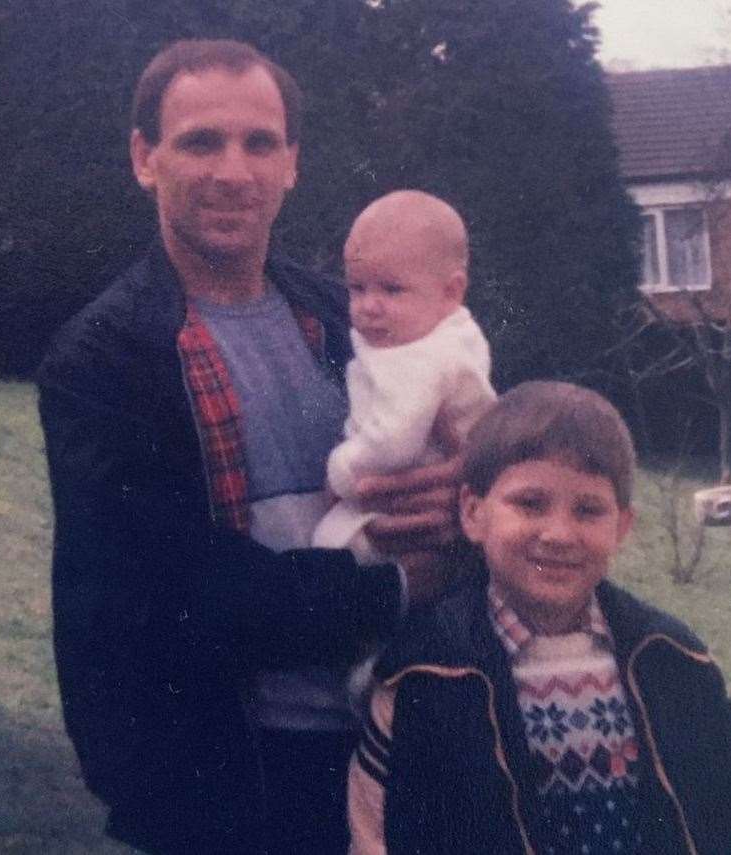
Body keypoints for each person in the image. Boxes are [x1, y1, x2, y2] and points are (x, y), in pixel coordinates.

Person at [37, 39, 460, 854]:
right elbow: (183, 597)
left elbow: (470, 452)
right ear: (143, 158)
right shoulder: (103, 358)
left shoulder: (351, 321)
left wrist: (464, 501)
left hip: (384, 756)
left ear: (293, 163)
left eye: (259, 142)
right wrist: (406, 584)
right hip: (220, 787)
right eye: (201, 141)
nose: (234, 170)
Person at [346, 381, 731, 854]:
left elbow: (729, 807)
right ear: (473, 513)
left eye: (588, 510)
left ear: (621, 527)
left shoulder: (671, 657)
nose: (559, 534)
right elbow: (375, 832)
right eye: (531, 503)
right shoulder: (426, 672)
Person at [313, 190, 495, 563]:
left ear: (451, 291)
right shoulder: (453, 333)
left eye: (392, 289)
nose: (368, 306)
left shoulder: (417, 357)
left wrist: (340, 473)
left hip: (400, 499)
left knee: (329, 547)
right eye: (357, 288)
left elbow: (395, 441)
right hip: (438, 500)